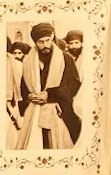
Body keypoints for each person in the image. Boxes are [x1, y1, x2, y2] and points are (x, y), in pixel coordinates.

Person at [18, 22, 81, 150]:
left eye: (48, 40)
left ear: (52, 36)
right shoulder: (28, 61)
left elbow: (74, 86)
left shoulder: (66, 59)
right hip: (34, 115)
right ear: (35, 42)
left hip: (60, 114)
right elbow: (23, 89)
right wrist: (30, 96)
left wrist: (50, 95)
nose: (45, 45)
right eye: (41, 42)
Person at [5, 39, 30, 148]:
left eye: (20, 53)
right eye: (15, 53)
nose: (17, 55)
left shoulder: (18, 65)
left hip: (15, 103)